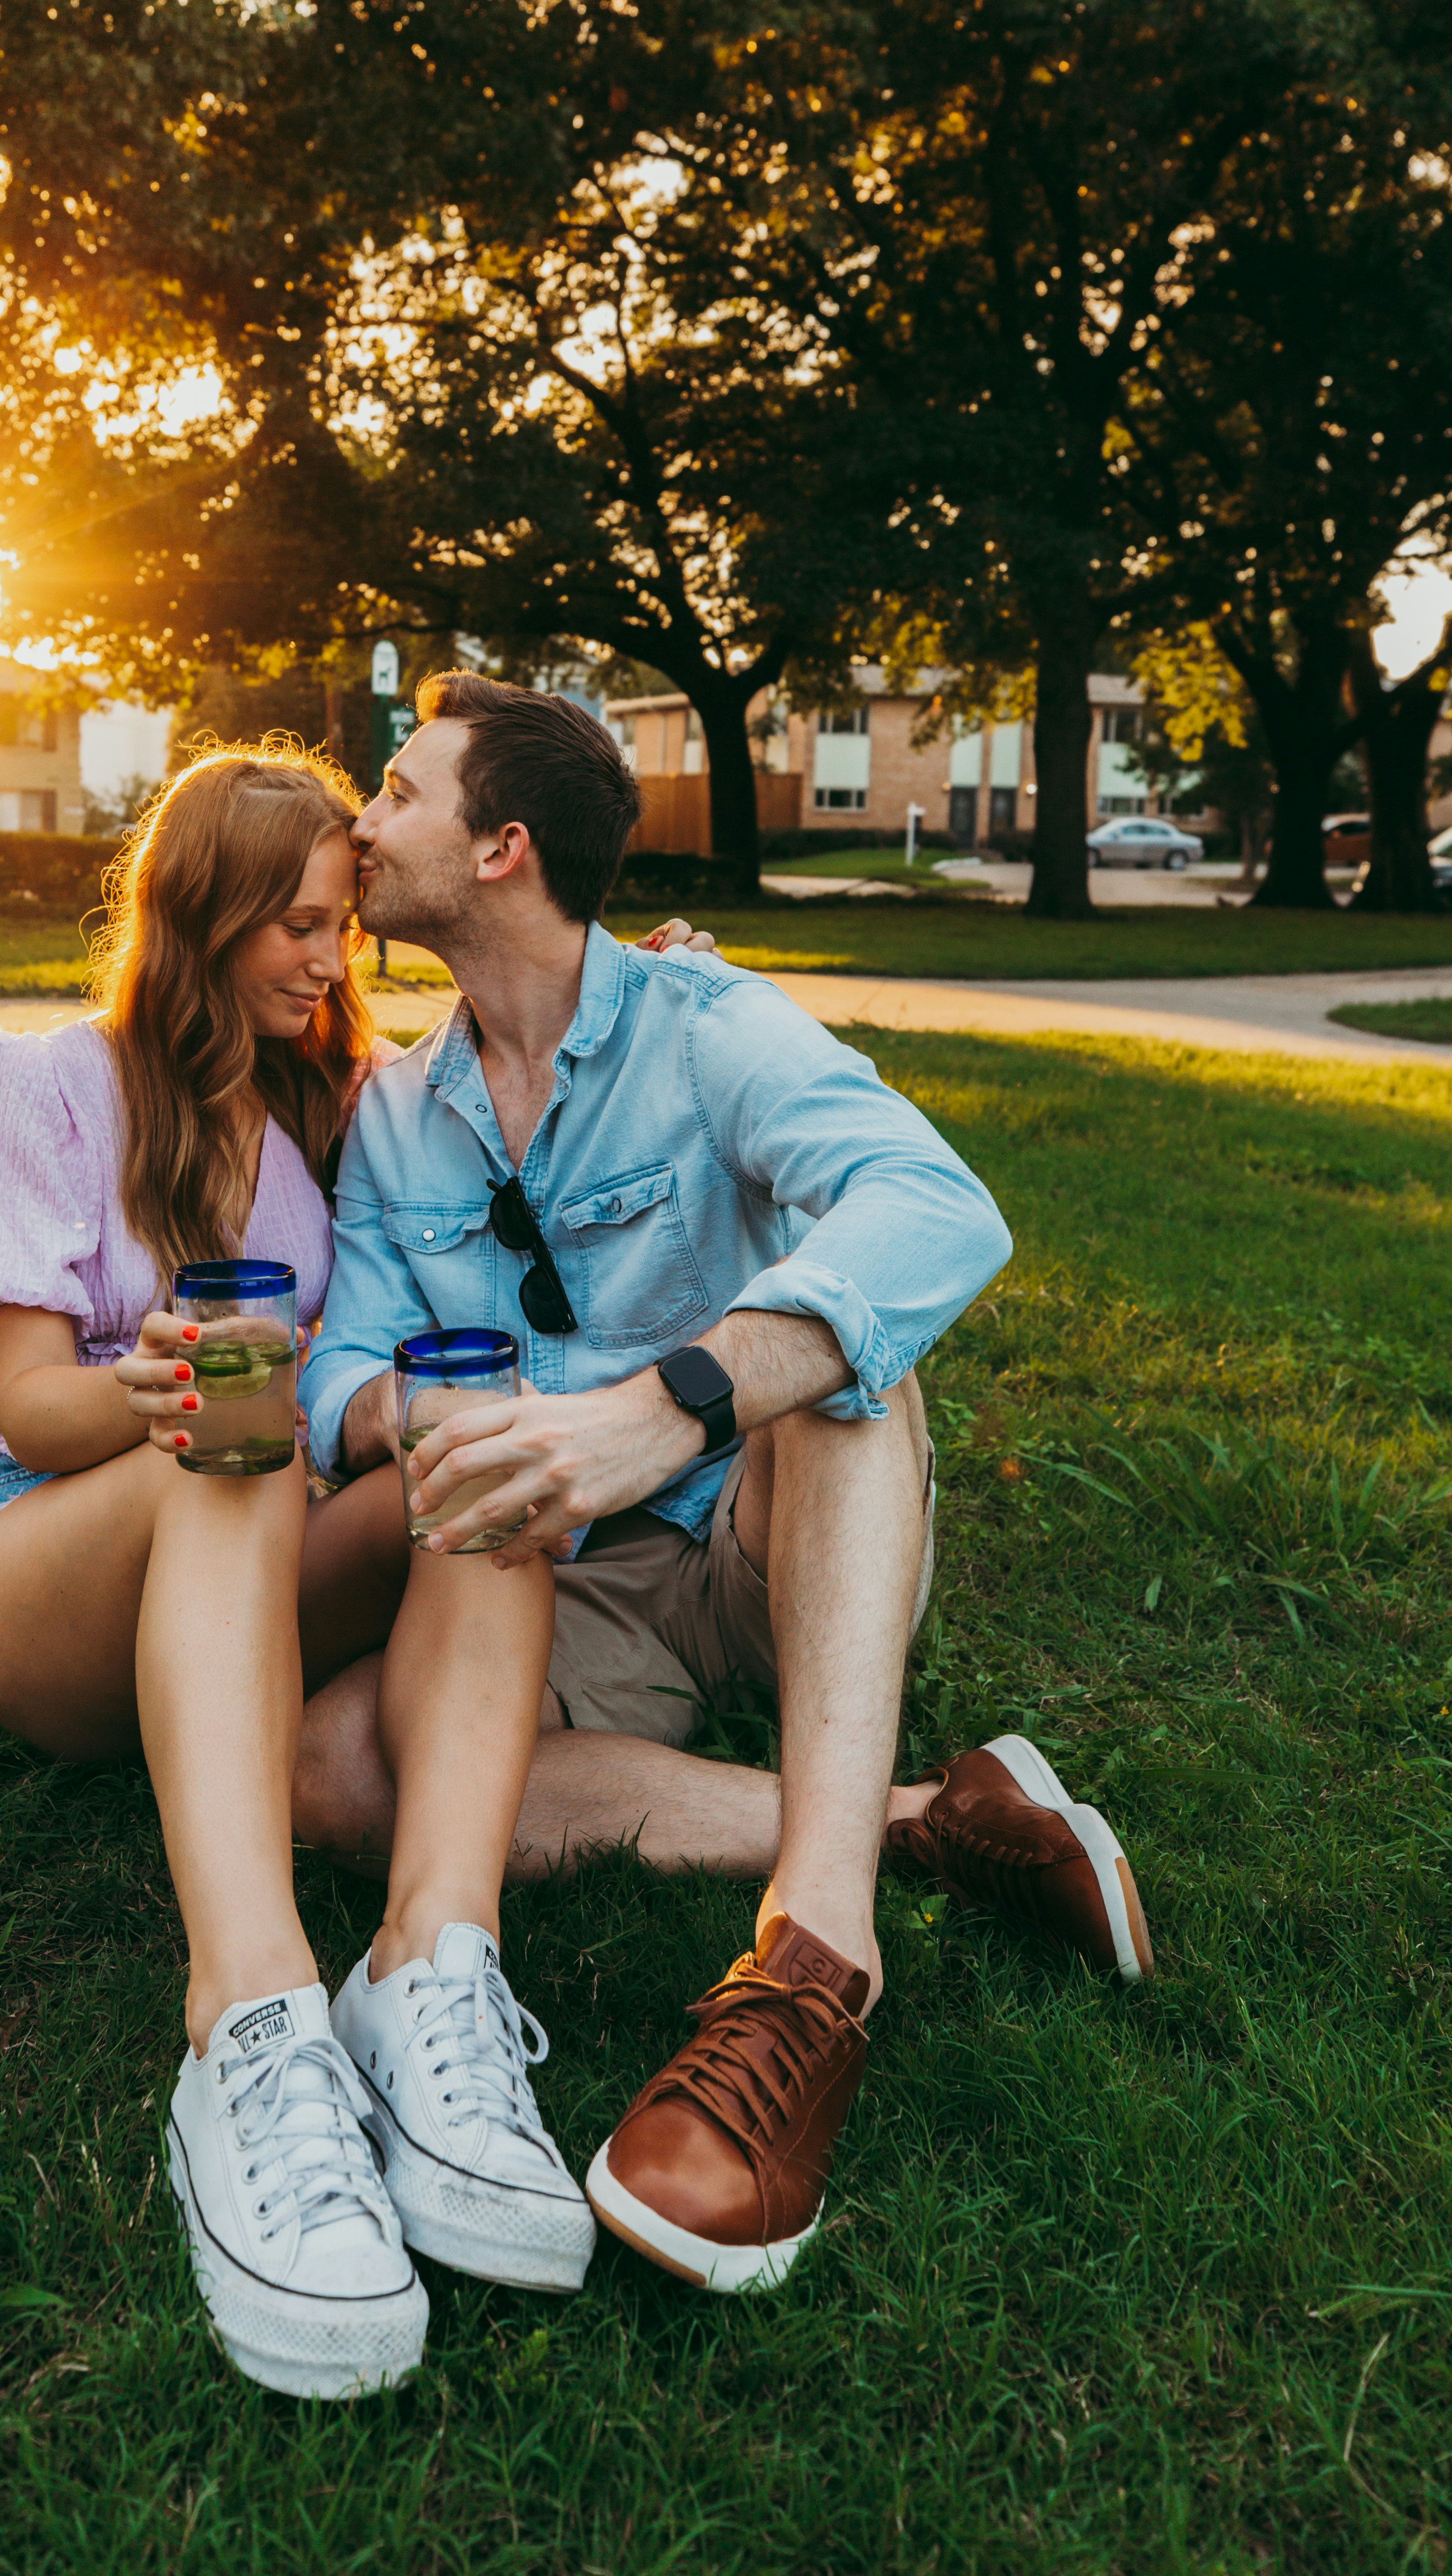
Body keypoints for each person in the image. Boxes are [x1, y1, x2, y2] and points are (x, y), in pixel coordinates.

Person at [296, 672, 1153, 2297]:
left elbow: (940, 1209)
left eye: (400, 789)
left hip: (777, 1547)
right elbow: (338, 1371)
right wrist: (436, 1416)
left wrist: (669, 1405)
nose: (365, 818)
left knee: (837, 1354)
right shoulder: (397, 1115)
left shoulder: (708, 1024)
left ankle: (813, 1969)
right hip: (571, 1589)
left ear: (502, 849)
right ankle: (931, 1820)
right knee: (338, 1767)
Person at [0, 740, 714, 2397]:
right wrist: (147, 1391)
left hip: (245, 1562)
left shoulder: (331, 1104)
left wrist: (645, 997)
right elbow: (31, 1409)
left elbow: (500, 1091)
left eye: (340, 926)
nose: (322, 960)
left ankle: (435, 1974)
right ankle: (252, 2022)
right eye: (285, 924)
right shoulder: (30, 1083)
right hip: (34, 1578)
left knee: (468, 1457)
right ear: (190, 913)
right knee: (234, 1425)